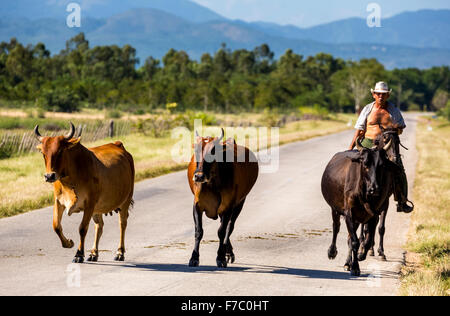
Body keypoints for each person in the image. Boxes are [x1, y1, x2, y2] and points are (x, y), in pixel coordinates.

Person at [349, 81, 414, 213]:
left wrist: (394, 130)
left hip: (386, 146)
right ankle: (351, 195)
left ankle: (402, 200)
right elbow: (359, 130)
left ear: (387, 96)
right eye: (378, 94)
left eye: (383, 94)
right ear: (373, 94)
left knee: (398, 168)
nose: (381, 96)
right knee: (355, 165)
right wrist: (350, 147)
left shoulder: (393, 110)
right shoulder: (367, 109)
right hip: (367, 143)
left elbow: (400, 128)